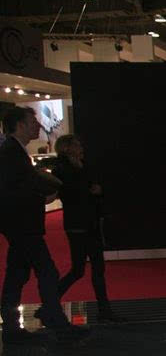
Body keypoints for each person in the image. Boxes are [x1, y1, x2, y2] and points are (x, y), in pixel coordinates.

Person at [0, 107, 85, 343]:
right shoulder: (11, 153)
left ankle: (12, 328)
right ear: (19, 125)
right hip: (22, 225)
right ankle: (56, 322)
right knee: (46, 271)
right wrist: (42, 198)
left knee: (17, 274)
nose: (38, 125)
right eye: (32, 121)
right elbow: (11, 192)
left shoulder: (14, 151)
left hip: (20, 226)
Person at [50, 135, 121, 322]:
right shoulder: (62, 169)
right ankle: (50, 301)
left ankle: (104, 309)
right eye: (77, 145)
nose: (81, 148)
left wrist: (97, 191)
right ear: (67, 148)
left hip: (89, 222)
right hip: (77, 224)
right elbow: (69, 193)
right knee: (79, 269)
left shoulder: (80, 166)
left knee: (95, 267)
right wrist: (91, 191)